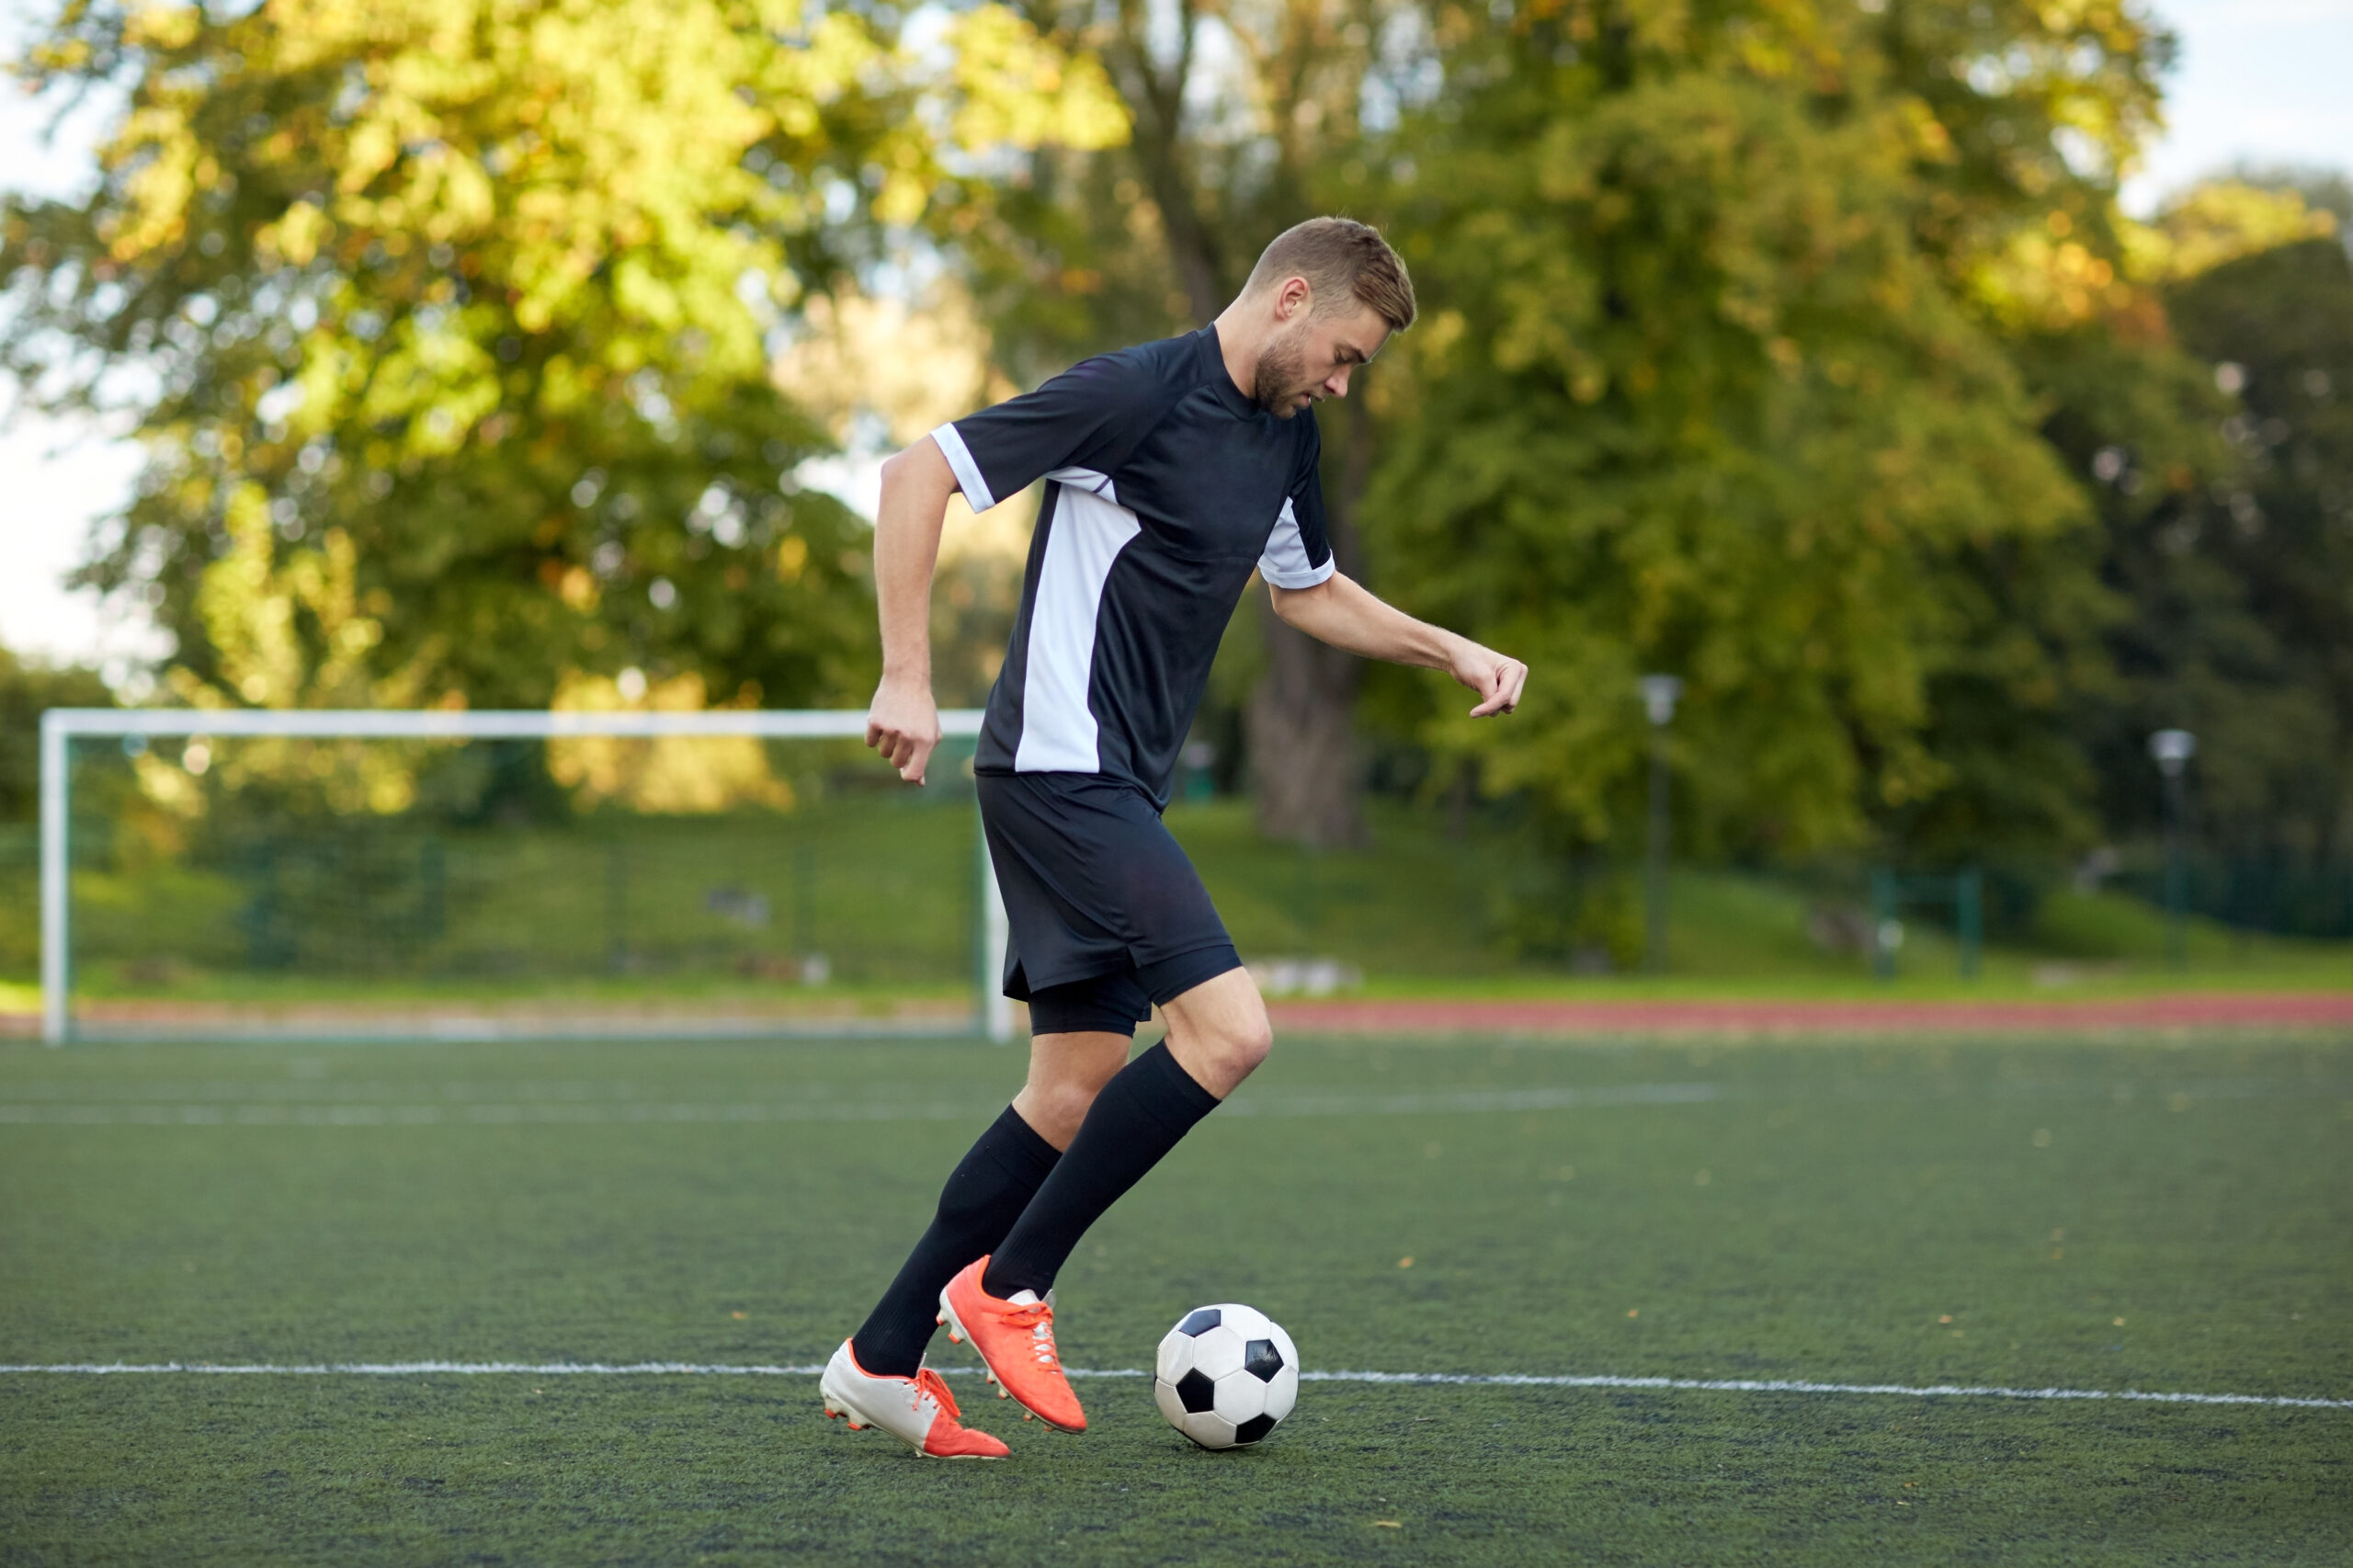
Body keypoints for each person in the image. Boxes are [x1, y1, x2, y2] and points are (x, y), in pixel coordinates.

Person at [818, 217, 1529, 1458]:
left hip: (1112, 788)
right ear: (1291, 298)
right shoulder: (1136, 391)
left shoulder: (1286, 438)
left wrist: (1448, 645)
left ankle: (881, 1355)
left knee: (1070, 1087)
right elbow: (913, 473)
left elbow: (1304, 589)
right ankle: (1010, 1283)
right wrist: (905, 673)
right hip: (1058, 768)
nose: (1345, 381)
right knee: (1231, 1030)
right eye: (1347, 353)